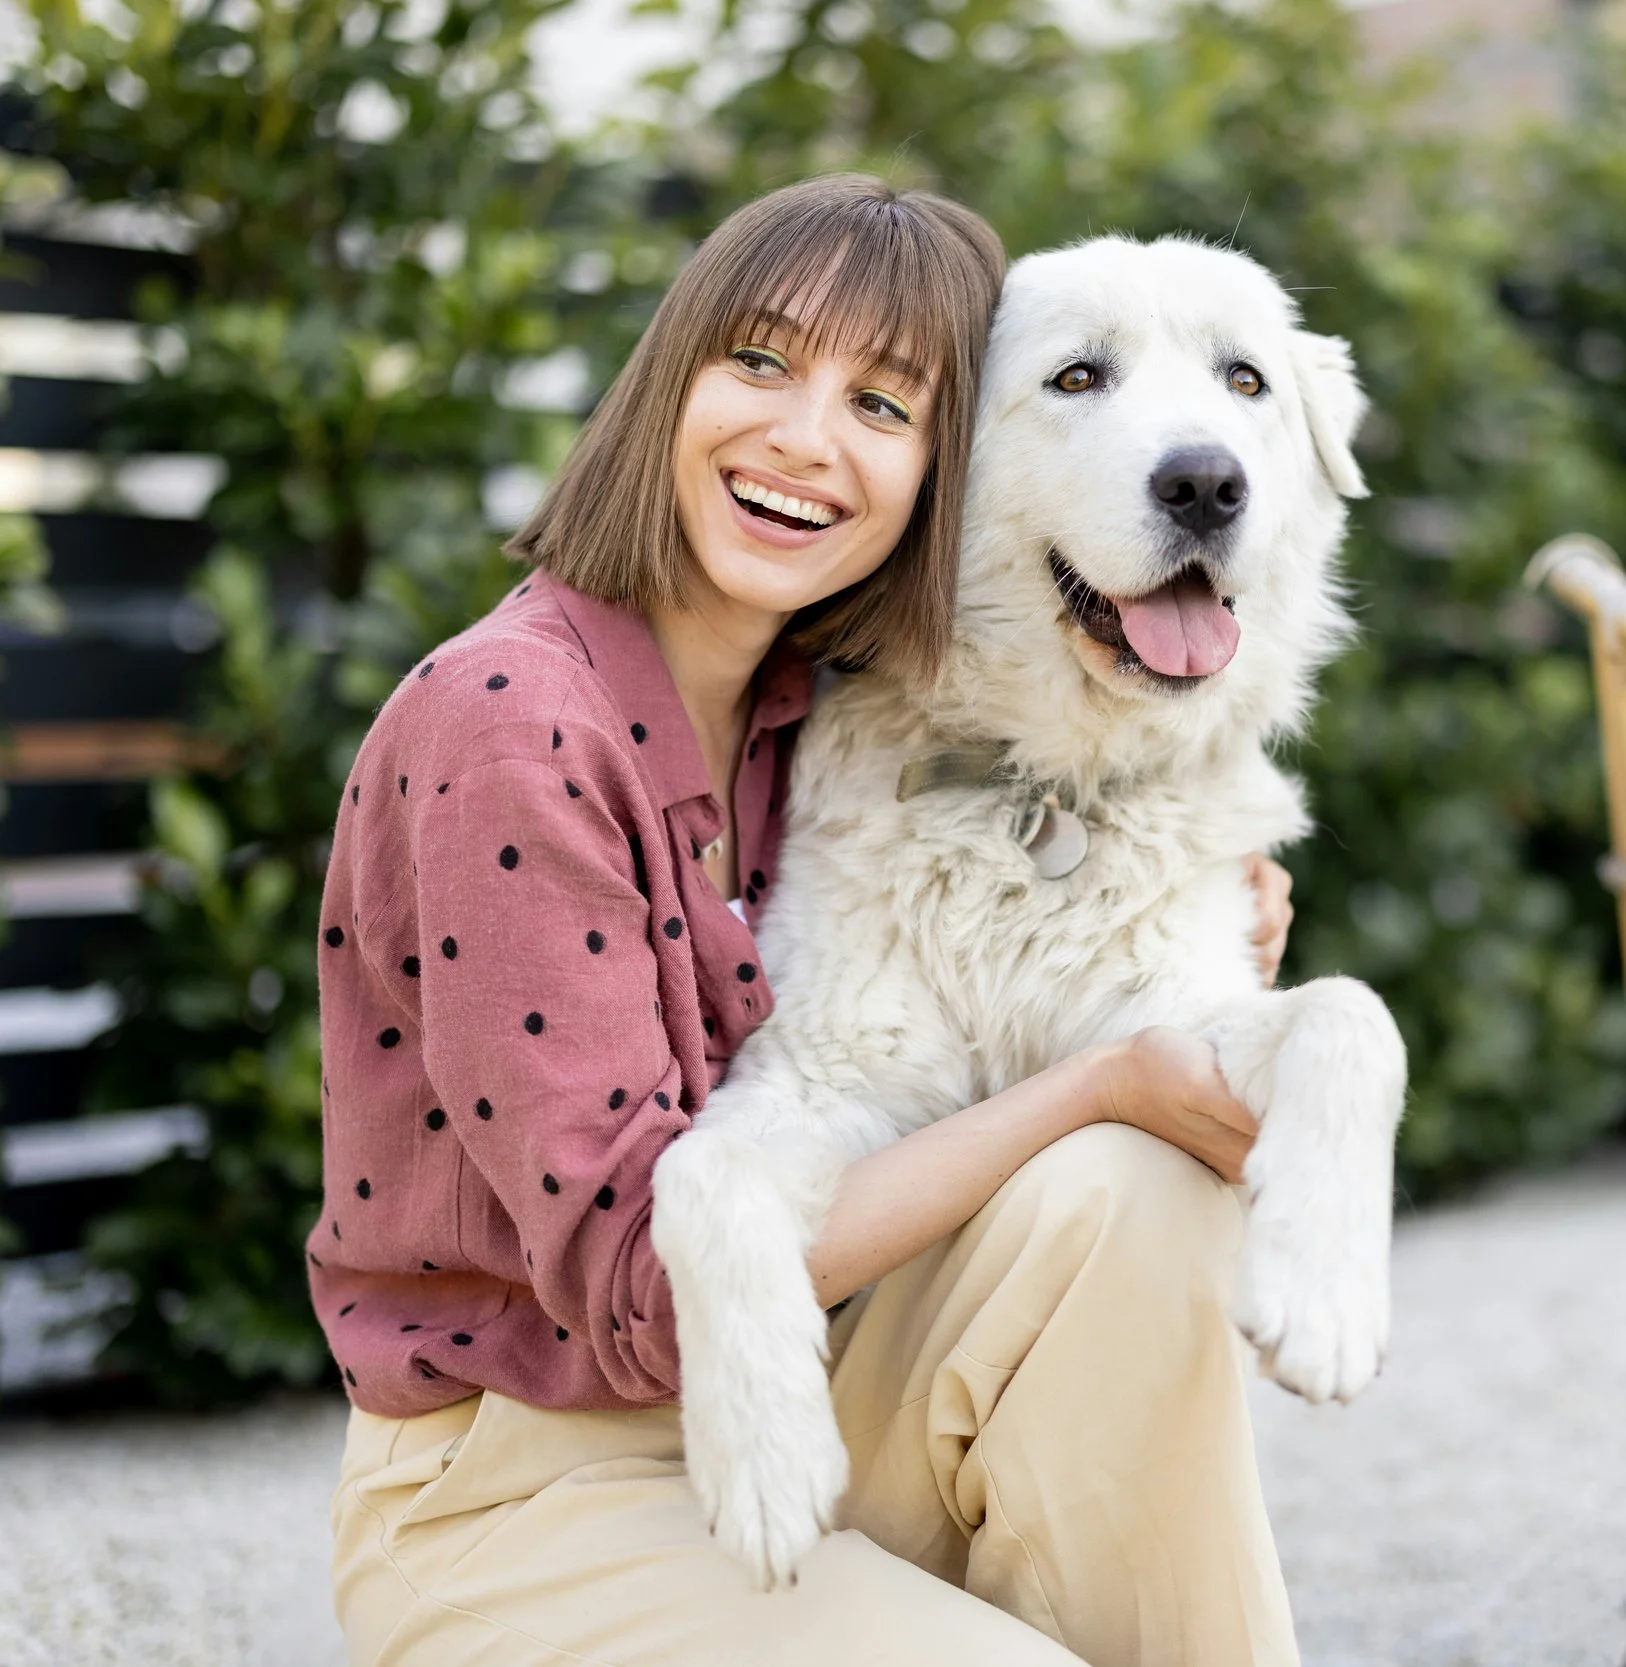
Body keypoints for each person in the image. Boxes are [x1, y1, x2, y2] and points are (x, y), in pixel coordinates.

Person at [314, 173, 1302, 1667]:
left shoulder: (819, 711)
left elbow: (967, 1024)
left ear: (945, 473)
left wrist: (1175, 962)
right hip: (527, 1483)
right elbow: (651, 1295)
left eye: (886, 406)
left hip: (811, 1406)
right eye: (761, 362)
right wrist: (1099, 1079)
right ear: (671, 380)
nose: (806, 439)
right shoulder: (511, 723)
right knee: (1104, 1128)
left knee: (1136, 1188)